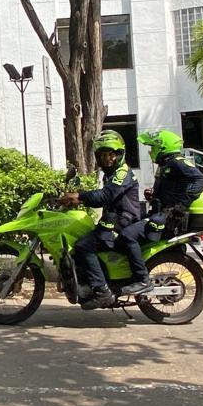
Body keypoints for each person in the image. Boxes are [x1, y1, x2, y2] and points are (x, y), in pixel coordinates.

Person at [58, 130, 148, 310]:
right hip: (113, 220)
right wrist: (76, 199)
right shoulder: (111, 173)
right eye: (103, 155)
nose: (107, 159)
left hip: (123, 222)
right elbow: (102, 196)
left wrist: (79, 196)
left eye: (111, 154)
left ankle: (102, 291)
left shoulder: (123, 173)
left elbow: (105, 196)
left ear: (119, 155)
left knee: (84, 245)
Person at [136, 130, 203, 240]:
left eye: (153, 148)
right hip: (158, 212)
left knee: (129, 235)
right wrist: (153, 194)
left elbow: (201, 180)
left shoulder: (177, 162)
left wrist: (182, 205)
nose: (150, 152)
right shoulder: (165, 164)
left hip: (168, 217)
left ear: (163, 148)